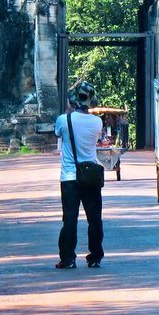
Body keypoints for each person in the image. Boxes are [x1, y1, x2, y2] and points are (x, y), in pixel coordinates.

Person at [54, 80, 104, 269]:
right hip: (90, 176)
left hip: (69, 177)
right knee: (94, 219)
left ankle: (68, 258)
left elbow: (58, 134)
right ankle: (95, 256)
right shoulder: (97, 122)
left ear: (74, 100)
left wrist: (68, 111)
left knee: (69, 219)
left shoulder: (63, 120)